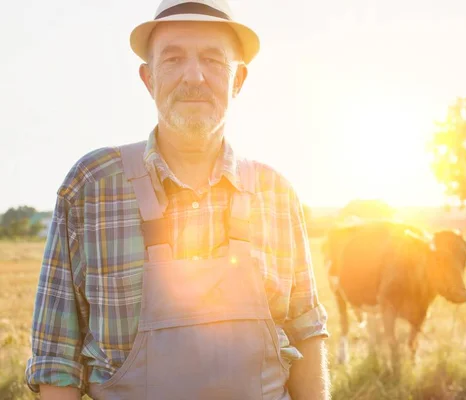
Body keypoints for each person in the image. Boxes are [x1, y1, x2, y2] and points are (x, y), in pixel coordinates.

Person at [25, 0, 330, 398]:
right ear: (148, 79)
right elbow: (57, 360)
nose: (194, 76)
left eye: (213, 60)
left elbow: (306, 333)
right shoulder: (92, 187)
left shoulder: (276, 193)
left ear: (238, 80)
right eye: (173, 59)